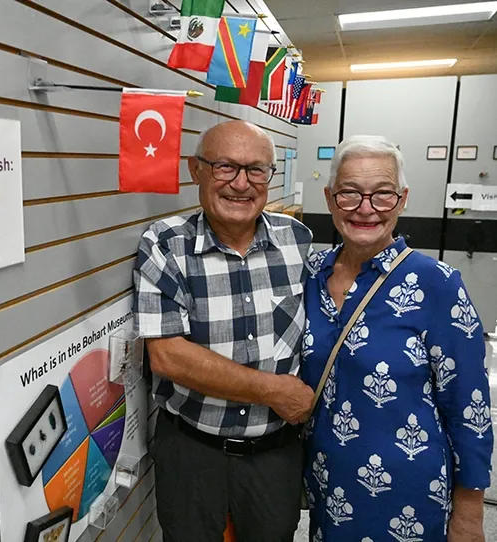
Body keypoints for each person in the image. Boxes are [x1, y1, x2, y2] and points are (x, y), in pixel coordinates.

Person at [301, 135, 493, 542]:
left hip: (410, 491)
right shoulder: (310, 275)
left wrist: (470, 513)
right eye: (349, 193)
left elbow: (470, 407)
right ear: (329, 198)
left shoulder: (436, 284)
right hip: (327, 483)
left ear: (402, 199)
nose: (366, 208)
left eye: (383, 194)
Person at [133, 120, 314, 542]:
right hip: (192, 451)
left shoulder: (298, 241)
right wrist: (273, 391)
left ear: (271, 176)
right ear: (196, 171)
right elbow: (168, 355)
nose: (241, 183)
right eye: (225, 167)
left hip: (275, 453)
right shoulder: (165, 244)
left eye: (256, 170)